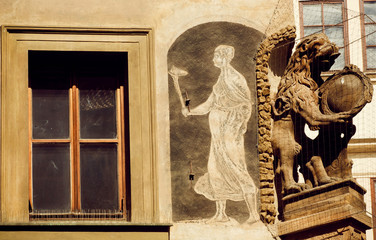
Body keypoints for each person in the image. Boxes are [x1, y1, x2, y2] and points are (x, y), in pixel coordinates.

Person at [182, 45, 259, 224]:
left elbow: (246, 105)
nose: (213, 59)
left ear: (225, 57)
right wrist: (190, 110)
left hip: (229, 133)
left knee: (237, 168)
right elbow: (209, 105)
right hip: (217, 136)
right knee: (215, 169)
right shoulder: (221, 80)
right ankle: (221, 214)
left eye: (216, 55)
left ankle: (254, 214)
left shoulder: (235, 78)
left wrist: (237, 126)